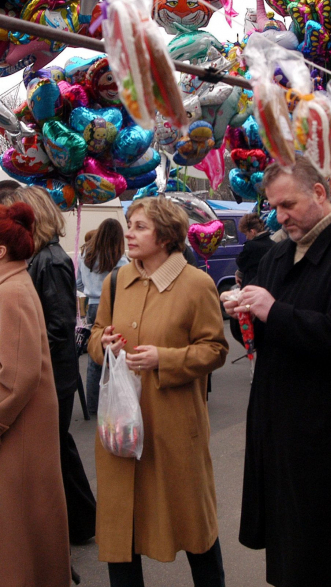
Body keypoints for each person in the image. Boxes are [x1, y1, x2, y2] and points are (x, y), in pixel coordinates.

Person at [221, 157, 331, 587]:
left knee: (326, 552)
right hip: (278, 424)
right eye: (274, 207)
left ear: (319, 193)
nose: (280, 216)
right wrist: (242, 314)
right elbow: (261, 337)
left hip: (326, 429)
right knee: (287, 551)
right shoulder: (279, 254)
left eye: (288, 204)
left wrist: (273, 312)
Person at [88, 196, 229, 587]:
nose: (129, 234)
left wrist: (164, 359)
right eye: (129, 224)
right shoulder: (116, 281)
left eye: (140, 227)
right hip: (122, 430)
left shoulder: (197, 284)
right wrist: (106, 346)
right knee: (121, 529)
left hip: (173, 429)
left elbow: (215, 349)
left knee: (193, 525)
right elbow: (96, 337)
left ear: (166, 236)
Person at [0, 186, 97, 544]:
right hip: (50, 373)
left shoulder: (50, 260)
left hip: (53, 375)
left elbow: (58, 328)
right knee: (57, 451)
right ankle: (81, 522)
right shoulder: (42, 258)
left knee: (51, 454)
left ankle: (79, 523)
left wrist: (42, 378)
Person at [0, 202, 71, 587]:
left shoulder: (9, 291)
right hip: (22, 429)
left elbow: (16, 375)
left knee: (18, 535)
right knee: (27, 529)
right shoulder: (12, 283)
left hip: (17, 431)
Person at [76, 218, 128, 415]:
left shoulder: (85, 255)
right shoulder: (119, 260)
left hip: (92, 305)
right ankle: (117, 400)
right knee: (117, 353)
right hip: (113, 305)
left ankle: (92, 404)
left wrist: (91, 290)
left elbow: (78, 283)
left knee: (94, 356)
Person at [235, 213, 275, 288]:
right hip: (269, 287)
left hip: (252, 286)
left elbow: (240, 262)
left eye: (246, 234)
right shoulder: (274, 245)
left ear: (252, 232)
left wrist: (239, 273)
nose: (246, 238)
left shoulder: (251, 246)